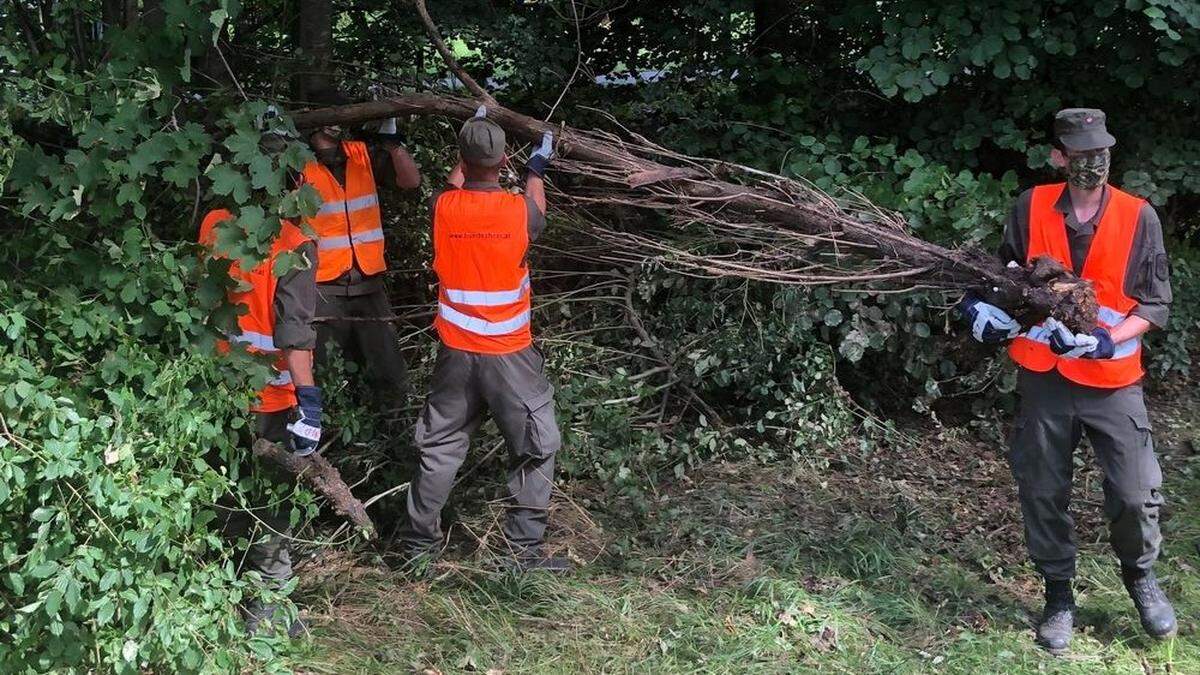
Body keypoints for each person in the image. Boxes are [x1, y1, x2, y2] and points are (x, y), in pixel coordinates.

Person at [959, 108, 1175, 653]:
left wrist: (1105, 339)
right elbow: (1004, 275)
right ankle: (1059, 597)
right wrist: (978, 308)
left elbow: (1155, 303)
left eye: (1100, 152)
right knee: (1042, 489)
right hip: (1044, 378)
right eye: (1080, 154)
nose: (1092, 163)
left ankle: (1140, 578)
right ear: (1060, 156)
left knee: (1134, 493)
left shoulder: (1138, 215)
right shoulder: (1030, 206)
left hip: (1113, 379)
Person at [400, 107, 567, 572]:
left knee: (440, 449)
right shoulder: (517, 211)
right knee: (537, 446)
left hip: (455, 355)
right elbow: (536, 209)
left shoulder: (444, 207)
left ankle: (417, 551)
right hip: (510, 356)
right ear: (504, 161)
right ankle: (521, 555)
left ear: (461, 160)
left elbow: (454, 184)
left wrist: (468, 139)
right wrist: (537, 168)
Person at [199, 207, 322, 637]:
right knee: (272, 505)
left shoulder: (215, 221)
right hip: (270, 395)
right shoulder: (294, 242)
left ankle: (225, 594)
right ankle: (269, 610)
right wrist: (309, 401)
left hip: (218, 387)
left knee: (226, 495)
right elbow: (293, 330)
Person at [300, 87, 421, 404]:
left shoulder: (360, 154)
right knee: (321, 372)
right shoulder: (297, 165)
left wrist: (393, 144)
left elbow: (410, 182)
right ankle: (327, 438)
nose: (338, 127)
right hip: (323, 288)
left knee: (389, 373)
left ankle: (393, 432)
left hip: (369, 284)